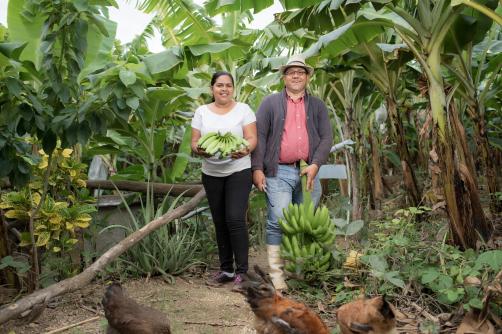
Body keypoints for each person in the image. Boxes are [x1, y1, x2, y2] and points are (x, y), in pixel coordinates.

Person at [251, 55, 333, 290]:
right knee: (279, 220)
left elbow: (327, 137)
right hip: (279, 171)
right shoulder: (270, 103)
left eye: (300, 72)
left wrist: (316, 164)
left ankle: (300, 270)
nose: (296, 75)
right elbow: (260, 137)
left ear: (307, 76)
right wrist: (257, 169)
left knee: (306, 222)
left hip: (309, 171)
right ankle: (277, 274)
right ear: (284, 77)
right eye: (291, 72)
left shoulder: (317, 105)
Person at [191, 71, 257, 290]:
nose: (224, 89)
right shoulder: (202, 112)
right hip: (211, 173)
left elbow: (251, 138)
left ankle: (242, 272)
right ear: (212, 88)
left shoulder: (243, 110)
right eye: (220, 85)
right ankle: (226, 269)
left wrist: (245, 148)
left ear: (233, 88)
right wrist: (199, 150)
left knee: (235, 219)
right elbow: (194, 141)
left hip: (239, 170)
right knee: (219, 221)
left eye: (228, 85)